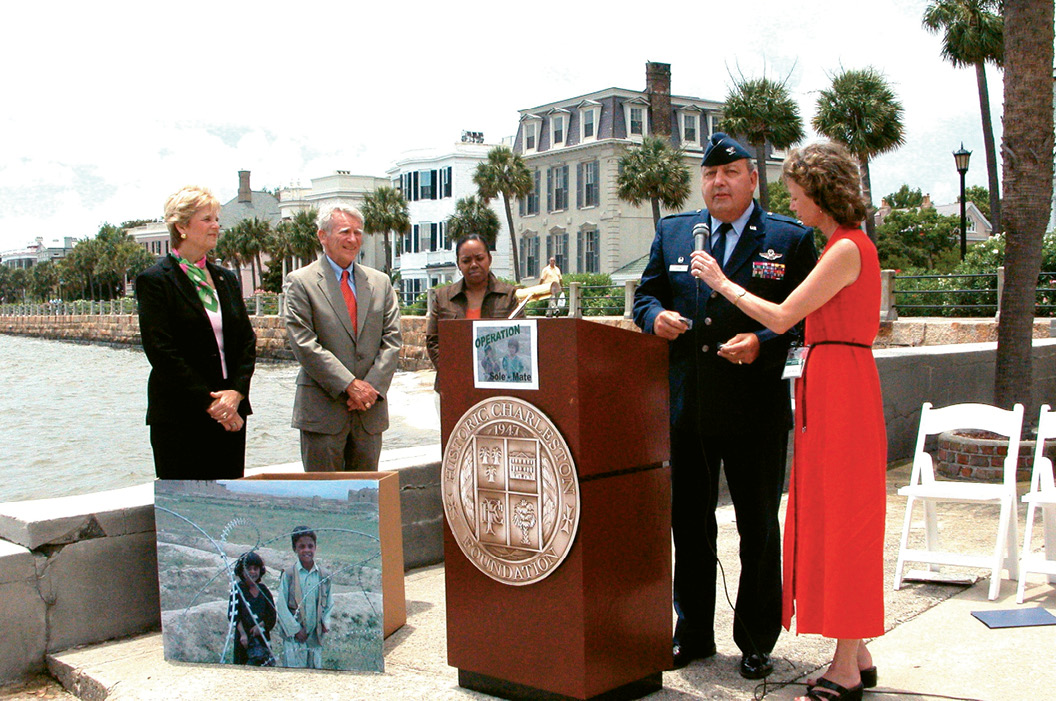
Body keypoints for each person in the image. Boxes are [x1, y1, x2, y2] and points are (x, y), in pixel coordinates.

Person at [693, 140, 885, 701]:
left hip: (842, 387)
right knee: (830, 513)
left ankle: (846, 665)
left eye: (800, 197)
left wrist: (723, 284)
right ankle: (858, 649)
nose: (795, 207)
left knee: (844, 518)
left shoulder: (846, 250)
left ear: (821, 195)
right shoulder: (843, 246)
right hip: (831, 383)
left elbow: (781, 315)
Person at [633, 133, 817, 678]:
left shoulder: (788, 239)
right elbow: (646, 294)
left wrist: (762, 341)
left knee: (758, 526)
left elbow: (805, 317)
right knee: (689, 525)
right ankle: (692, 633)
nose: (718, 183)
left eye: (730, 173)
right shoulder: (673, 233)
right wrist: (652, 319)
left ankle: (757, 639)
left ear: (752, 180)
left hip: (755, 409)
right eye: (711, 175)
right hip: (688, 408)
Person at [136, 185, 256, 479]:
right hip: (180, 416)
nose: (216, 226)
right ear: (181, 227)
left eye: (217, 219)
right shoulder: (155, 281)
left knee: (227, 509)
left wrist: (236, 393)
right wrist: (211, 402)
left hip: (231, 414)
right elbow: (161, 351)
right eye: (207, 219)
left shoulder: (226, 279)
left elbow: (246, 341)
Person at [285, 205, 402, 472]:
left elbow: (393, 340)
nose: (352, 239)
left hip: (369, 413)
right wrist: (349, 385)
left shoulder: (380, 283)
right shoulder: (301, 282)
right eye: (344, 232)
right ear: (322, 236)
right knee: (324, 502)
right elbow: (304, 343)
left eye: (358, 232)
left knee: (367, 500)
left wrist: (370, 388)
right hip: (323, 414)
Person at [425, 233, 519, 390]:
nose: (473, 264)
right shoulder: (443, 297)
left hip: (498, 384)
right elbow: (433, 341)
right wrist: (454, 371)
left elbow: (518, 337)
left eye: (479, 258)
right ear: (458, 264)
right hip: (453, 386)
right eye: (466, 261)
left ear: (489, 259)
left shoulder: (508, 295)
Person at [276, 526, 334, 669]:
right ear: (294, 549)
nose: (306, 550)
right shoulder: (289, 575)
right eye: (301, 546)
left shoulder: (323, 576)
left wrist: (325, 623)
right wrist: (295, 629)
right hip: (294, 639)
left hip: (315, 637)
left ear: (315, 547)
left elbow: (329, 604)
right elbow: (281, 605)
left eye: (310, 546)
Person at [231, 551, 276, 666]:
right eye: (248, 568)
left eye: (255, 568)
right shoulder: (238, 589)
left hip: (262, 640)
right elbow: (234, 614)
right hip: (243, 641)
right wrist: (243, 634)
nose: (252, 572)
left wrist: (261, 625)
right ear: (242, 570)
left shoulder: (264, 590)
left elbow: (271, 614)